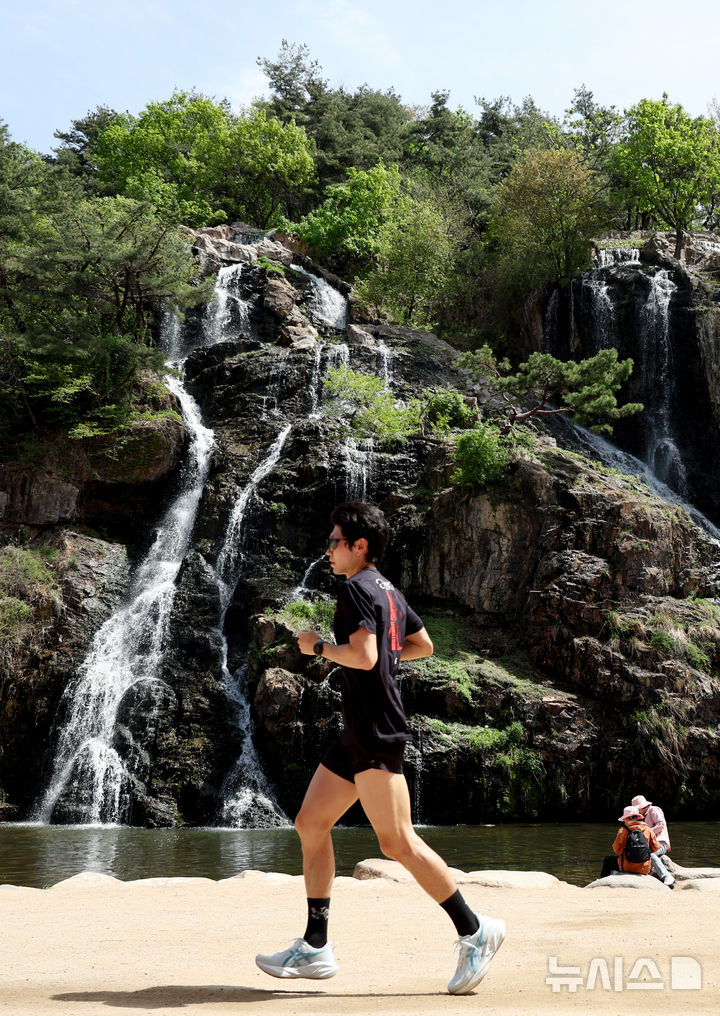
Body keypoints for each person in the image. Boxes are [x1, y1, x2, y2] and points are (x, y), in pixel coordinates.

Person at [255, 502, 506, 995]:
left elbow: (366, 657)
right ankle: (316, 945)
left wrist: (317, 648)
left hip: (375, 729)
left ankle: (476, 930)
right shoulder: (387, 588)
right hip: (357, 730)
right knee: (311, 822)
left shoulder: (353, 589)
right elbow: (423, 645)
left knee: (397, 842)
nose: (328, 549)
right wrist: (379, 659)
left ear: (359, 545)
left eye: (334, 541)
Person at [599, 806, 661, 879]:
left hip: (626, 867)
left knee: (607, 860)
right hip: (644, 869)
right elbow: (655, 847)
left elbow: (617, 850)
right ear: (638, 817)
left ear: (626, 818)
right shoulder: (648, 829)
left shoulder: (622, 831)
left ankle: (602, 881)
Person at [631, 794, 674, 887]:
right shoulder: (642, 816)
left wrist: (646, 832)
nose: (637, 811)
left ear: (642, 807)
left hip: (661, 842)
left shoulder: (653, 809)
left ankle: (667, 876)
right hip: (651, 844)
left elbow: (661, 825)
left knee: (649, 854)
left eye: (637, 809)